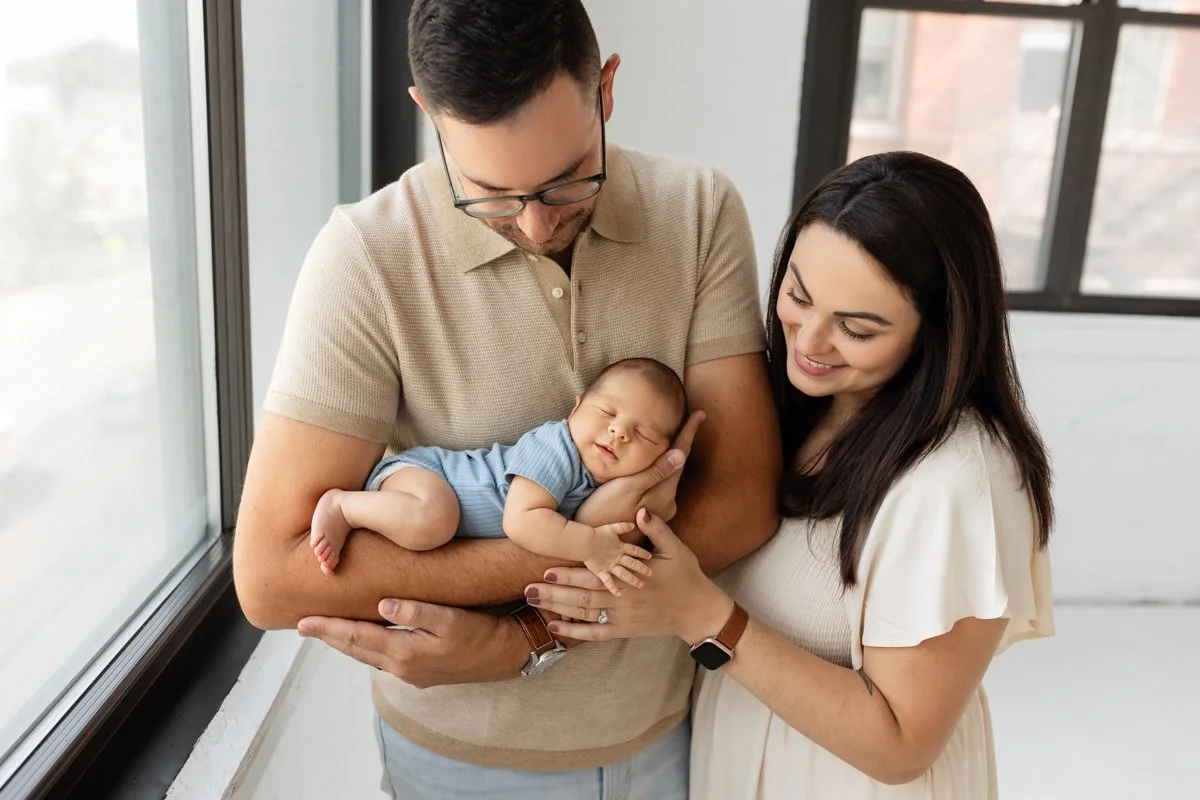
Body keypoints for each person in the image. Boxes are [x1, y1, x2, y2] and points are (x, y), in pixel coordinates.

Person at [231, 0, 781, 797]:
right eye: (488, 191)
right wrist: (576, 540)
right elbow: (275, 576)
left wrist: (525, 635)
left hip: (667, 726)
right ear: (429, 114)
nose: (531, 224)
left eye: (566, 182)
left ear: (608, 89)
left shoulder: (698, 212)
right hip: (459, 756)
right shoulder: (365, 257)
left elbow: (740, 501)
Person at [525, 151, 1056, 799]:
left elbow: (901, 745)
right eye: (798, 296)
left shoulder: (959, 481)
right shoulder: (791, 409)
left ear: (939, 332)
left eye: (857, 328)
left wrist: (704, 615)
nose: (808, 342)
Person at [310, 357, 687, 596]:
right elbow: (522, 521)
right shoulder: (556, 448)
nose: (619, 432)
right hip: (426, 475)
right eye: (607, 412)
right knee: (433, 521)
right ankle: (343, 505)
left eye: (643, 435)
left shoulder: (603, 482)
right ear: (575, 408)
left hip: (429, 490)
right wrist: (591, 545)